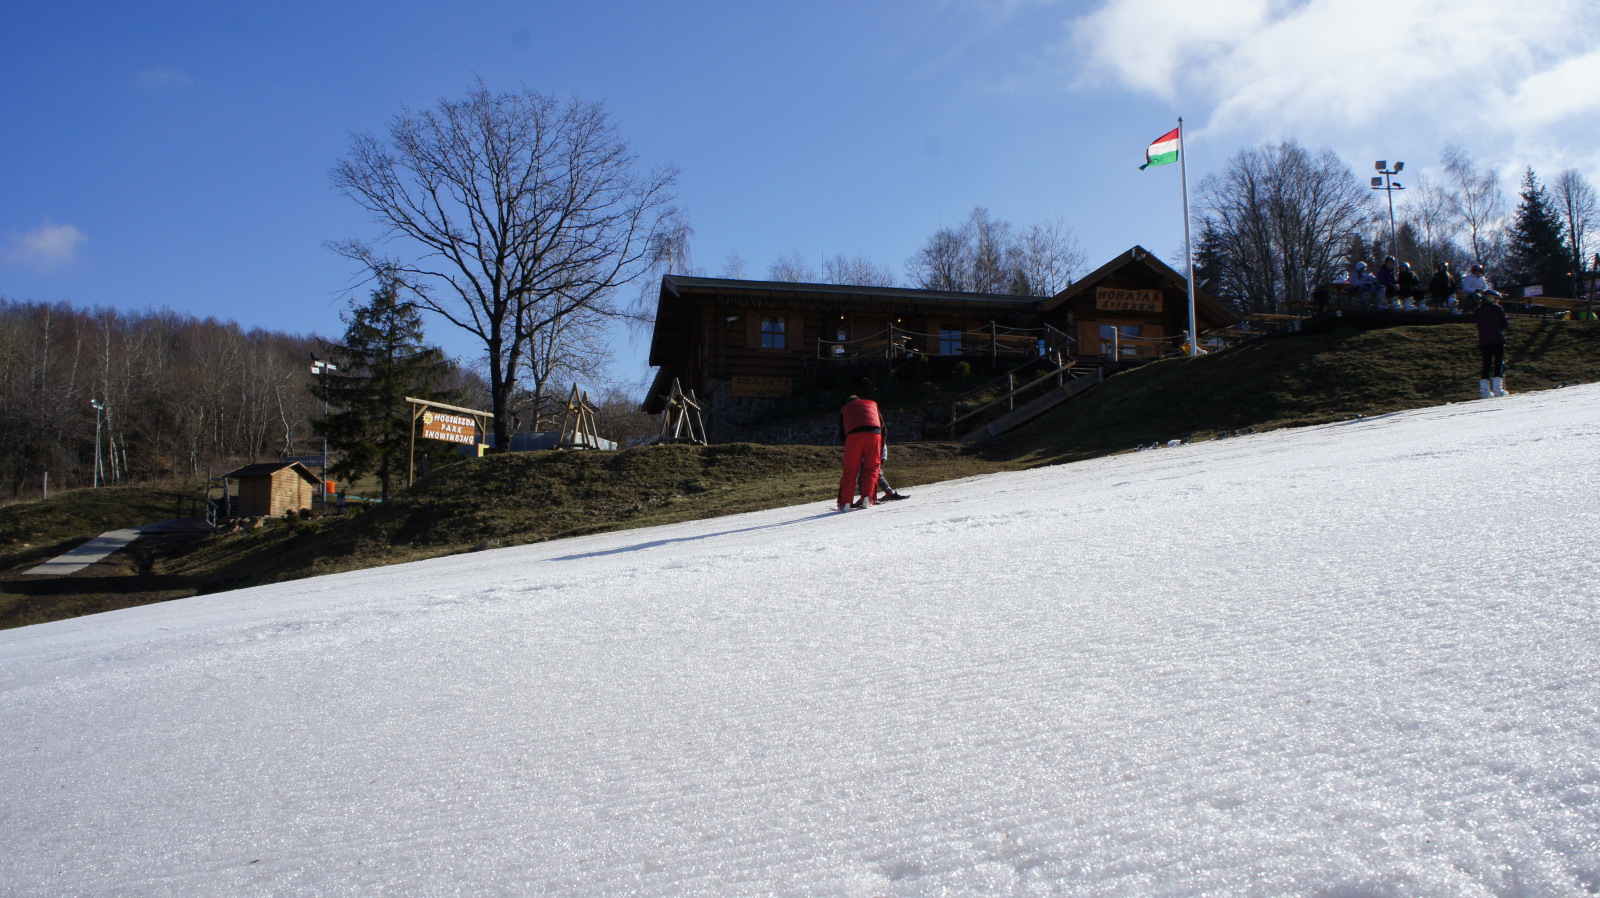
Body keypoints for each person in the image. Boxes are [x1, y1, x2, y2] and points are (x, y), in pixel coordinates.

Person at [837, 394, 884, 510]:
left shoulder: (845, 409)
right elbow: (883, 427)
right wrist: (881, 445)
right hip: (875, 433)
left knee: (850, 470)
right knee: (872, 468)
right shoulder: (872, 404)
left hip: (853, 436)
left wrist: (848, 445)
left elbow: (842, 432)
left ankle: (845, 503)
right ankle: (868, 499)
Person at [1475, 291, 1510, 398]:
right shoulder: (1497, 309)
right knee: (1498, 363)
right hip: (1497, 339)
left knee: (1486, 364)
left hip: (1484, 341)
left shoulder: (1478, 311)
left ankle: (1485, 391)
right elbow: (1505, 324)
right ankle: (1497, 389)